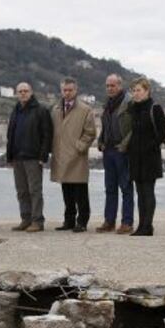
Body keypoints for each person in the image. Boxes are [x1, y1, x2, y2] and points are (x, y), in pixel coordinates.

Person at [50, 77, 96, 232]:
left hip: (77, 156)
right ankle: (68, 221)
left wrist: (79, 147)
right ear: (61, 90)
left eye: (70, 90)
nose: (67, 93)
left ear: (76, 91)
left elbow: (90, 133)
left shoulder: (85, 110)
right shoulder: (55, 110)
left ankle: (82, 222)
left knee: (80, 191)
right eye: (65, 90)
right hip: (61, 155)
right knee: (66, 190)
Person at [6, 82, 53, 232]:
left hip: (33, 157)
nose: (23, 94)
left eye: (25, 91)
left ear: (31, 92)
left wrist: (43, 155)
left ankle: (37, 221)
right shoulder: (16, 110)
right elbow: (10, 134)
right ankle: (25, 219)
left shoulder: (41, 110)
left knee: (35, 191)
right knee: (21, 191)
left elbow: (47, 134)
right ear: (16, 94)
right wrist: (10, 155)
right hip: (18, 157)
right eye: (20, 91)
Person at [128, 77, 165, 236]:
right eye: (134, 91)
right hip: (135, 157)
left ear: (147, 91)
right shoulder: (133, 108)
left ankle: (147, 226)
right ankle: (141, 225)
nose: (136, 93)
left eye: (139, 90)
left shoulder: (155, 108)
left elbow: (163, 134)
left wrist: (149, 146)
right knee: (139, 192)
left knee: (148, 191)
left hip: (149, 157)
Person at [96, 74, 133, 234]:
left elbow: (133, 128)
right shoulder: (107, 104)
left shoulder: (129, 103)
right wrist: (100, 141)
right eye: (107, 86)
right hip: (108, 150)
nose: (109, 88)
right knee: (110, 188)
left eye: (112, 85)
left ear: (120, 85)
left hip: (122, 151)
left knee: (126, 187)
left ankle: (127, 222)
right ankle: (109, 221)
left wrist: (124, 145)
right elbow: (105, 126)